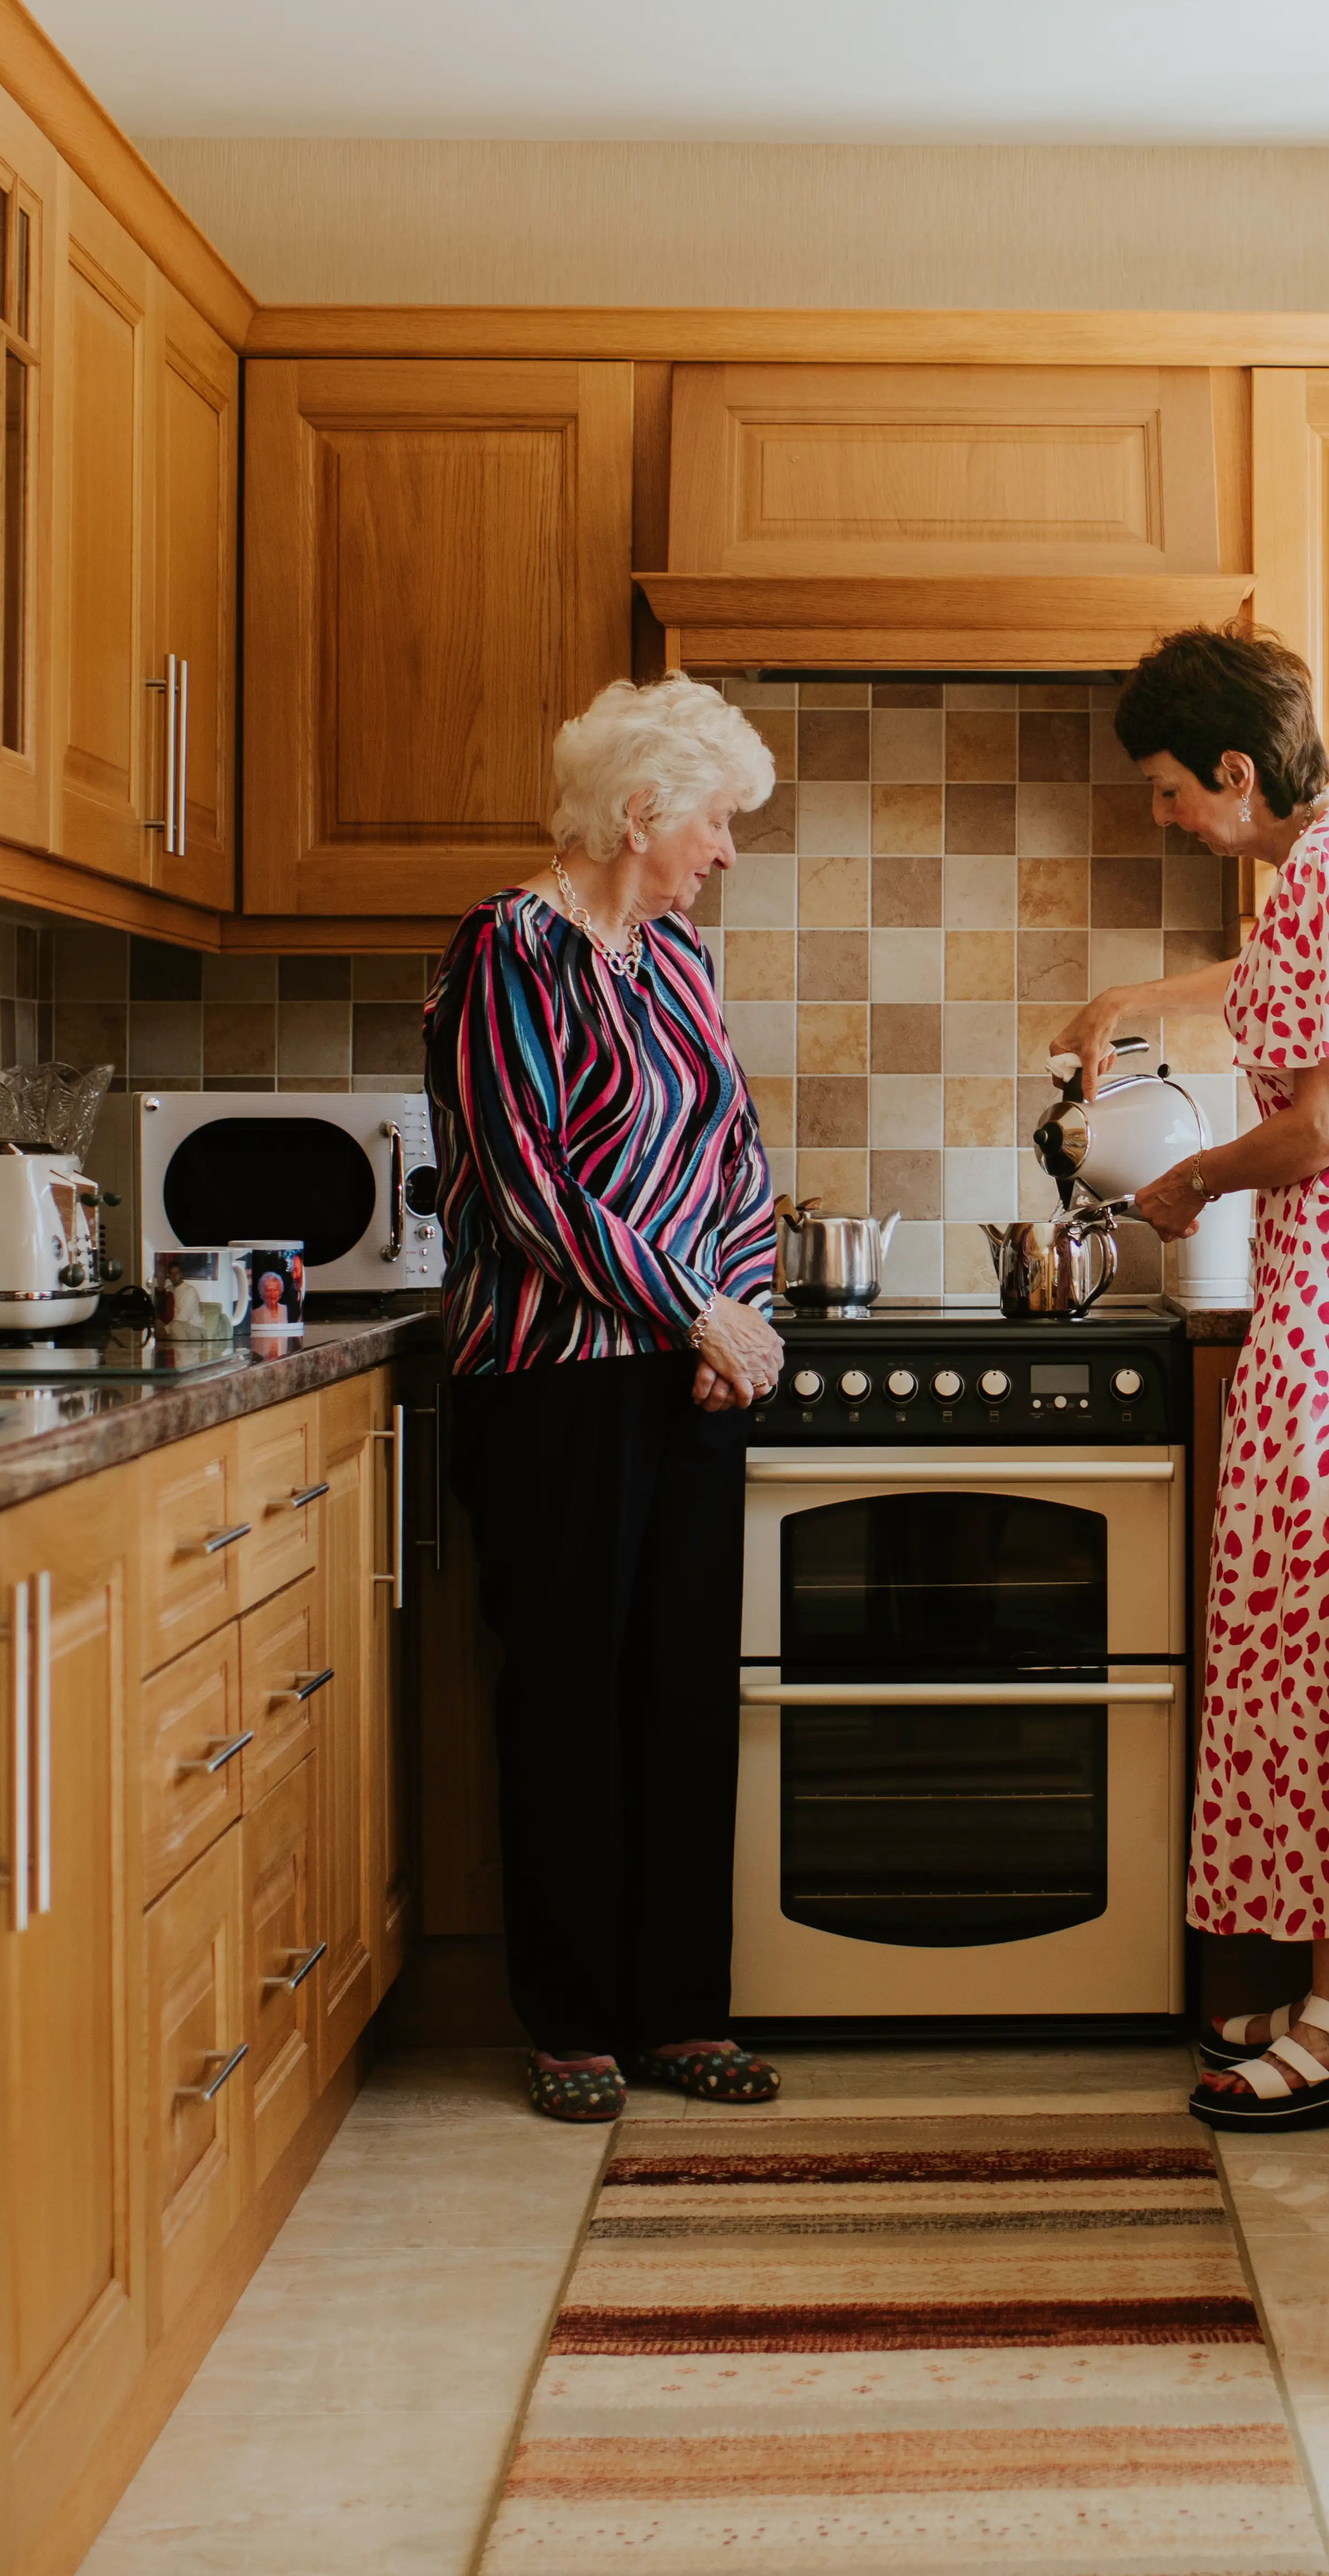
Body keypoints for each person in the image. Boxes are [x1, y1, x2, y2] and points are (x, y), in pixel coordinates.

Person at [1054, 626, 1329, 2129]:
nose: (1165, 817)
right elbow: (1287, 985)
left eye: (1172, 792)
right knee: (1306, 1631)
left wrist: (1185, 1187)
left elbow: (1321, 1130)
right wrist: (1137, 1002)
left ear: (1235, 772)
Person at [422, 674, 792, 2123]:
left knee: (684, 1695)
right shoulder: (510, 950)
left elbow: (737, 1152)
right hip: (553, 1386)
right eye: (715, 819)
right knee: (572, 1698)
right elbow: (524, 1182)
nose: (726, 850)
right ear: (640, 814)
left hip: (688, 1379)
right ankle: (572, 2017)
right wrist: (687, 1303)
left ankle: (679, 2011)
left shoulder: (678, 962)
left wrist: (739, 1317)